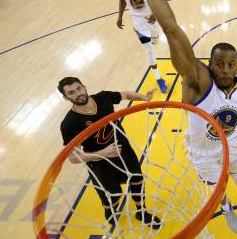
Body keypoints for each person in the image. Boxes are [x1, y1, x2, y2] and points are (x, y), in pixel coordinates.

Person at [143, 0, 237, 234]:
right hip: (204, 150)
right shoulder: (199, 82)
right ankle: (226, 208)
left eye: (231, 64)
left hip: (236, 142)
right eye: (219, 64)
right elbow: (172, 29)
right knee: (217, 188)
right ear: (209, 65)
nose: (226, 69)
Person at [58, 77, 161, 228]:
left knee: (137, 181)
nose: (78, 94)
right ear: (66, 97)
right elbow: (73, 158)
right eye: (71, 93)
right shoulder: (69, 123)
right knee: (114, 195)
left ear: (84, 86)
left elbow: (125, 95)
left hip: (123, 151)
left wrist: (144, 98)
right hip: (100, 162)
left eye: (79, 88)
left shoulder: (103, 97)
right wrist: (103, 153)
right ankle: (110, 212)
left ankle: (142, 212)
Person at [116, 0, 168, 94]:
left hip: (152, 21)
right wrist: (119, 17)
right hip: (139, 24)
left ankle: (154, 39)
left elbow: (158, 0)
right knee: (149, 50)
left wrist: (155, 14)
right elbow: (122, 1)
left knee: (155, 41)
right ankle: (159, 79)